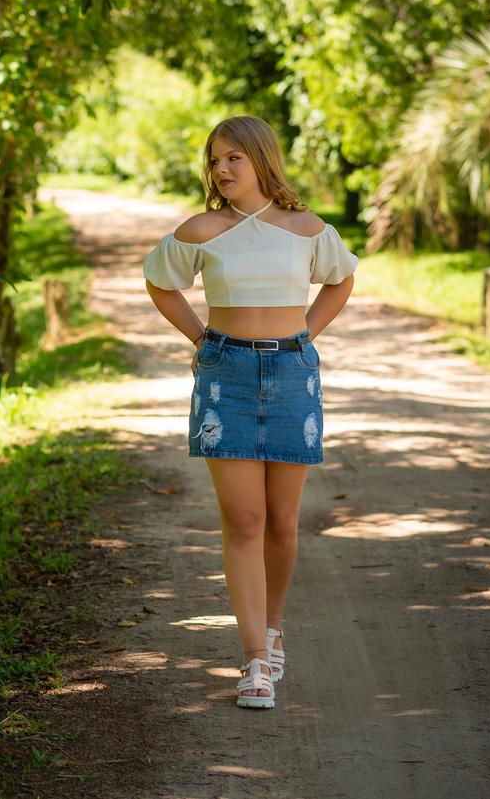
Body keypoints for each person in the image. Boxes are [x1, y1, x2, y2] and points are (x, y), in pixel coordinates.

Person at [144, 115, 357, 709]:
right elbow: (160, 282)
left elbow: (340, 280)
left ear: (262, 159)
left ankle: (273, 626)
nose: (221, 169)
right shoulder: (203, 229)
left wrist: (305, 335)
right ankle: (255, 660)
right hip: (226, 378)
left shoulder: (306, 227)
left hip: (292, 374)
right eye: (215, 159)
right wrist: (200, 338)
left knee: (282, 523)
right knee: (243, 521)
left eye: (233, 157)